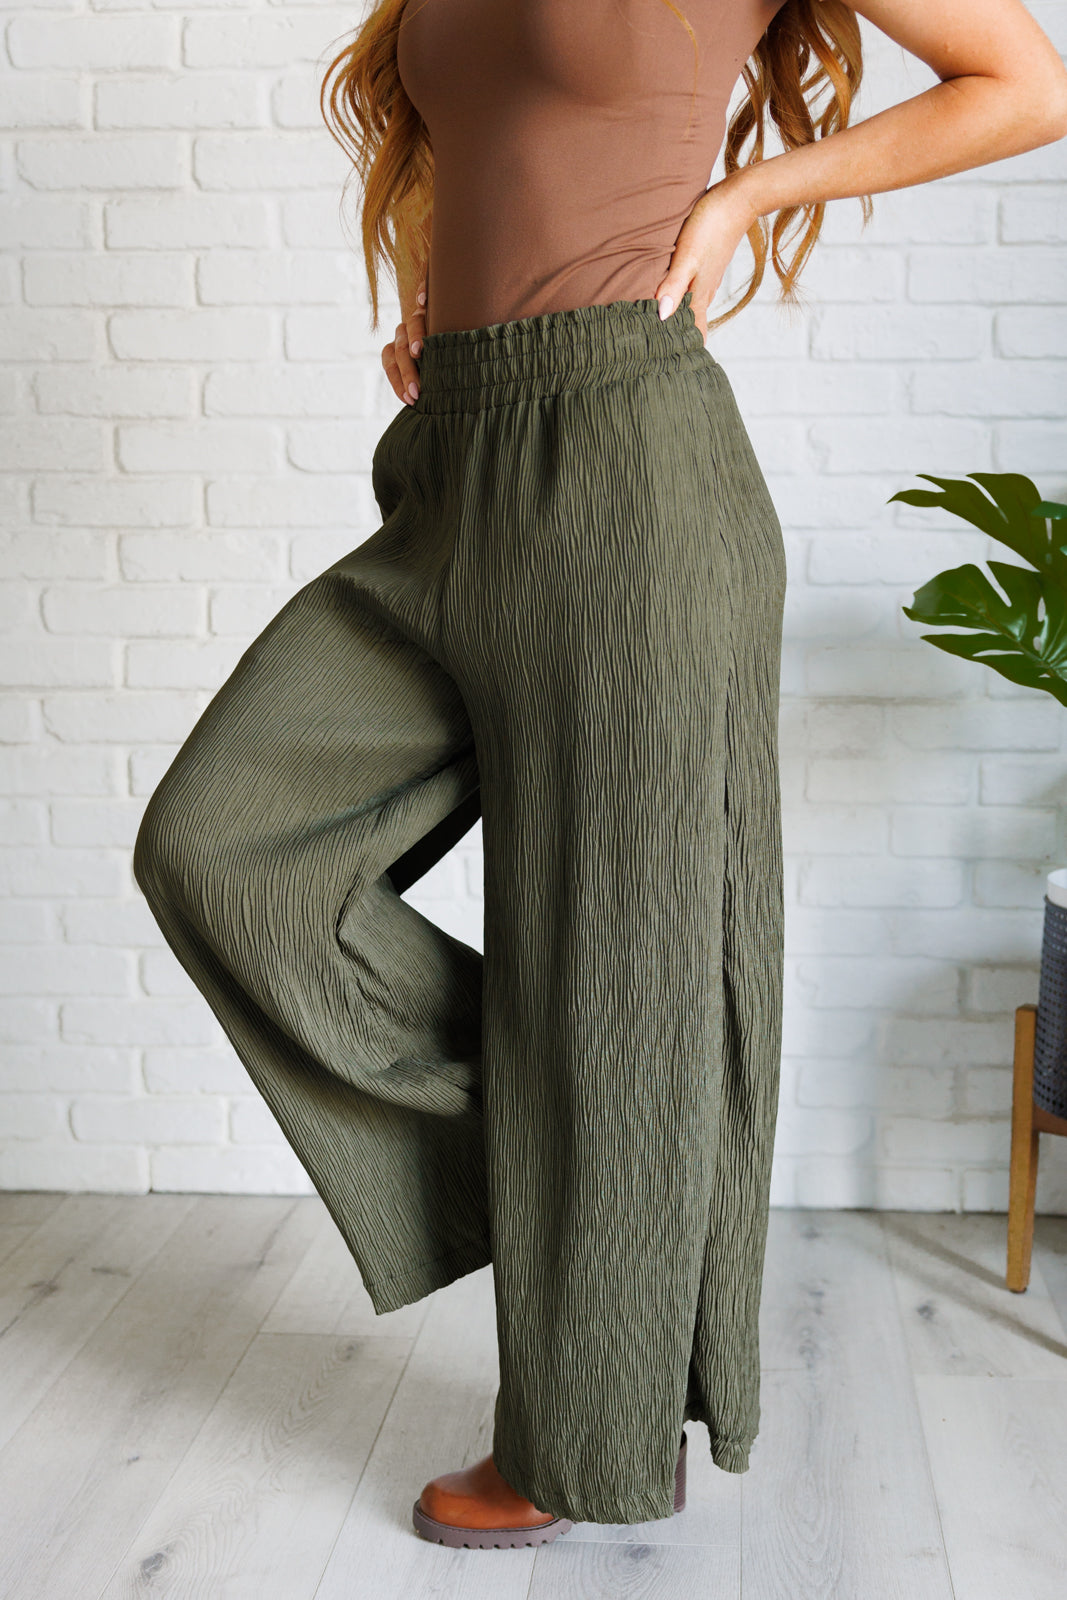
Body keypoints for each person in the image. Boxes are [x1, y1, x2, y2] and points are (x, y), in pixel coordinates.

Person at [133, 0, 1067, 1553]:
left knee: (615, 992)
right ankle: (599, 1170)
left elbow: (1025, 83)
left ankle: (584, 1427)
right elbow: (484, 131)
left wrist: (749, 194)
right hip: (451, 474)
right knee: (222, 850)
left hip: (630, 473)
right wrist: (433, 291)